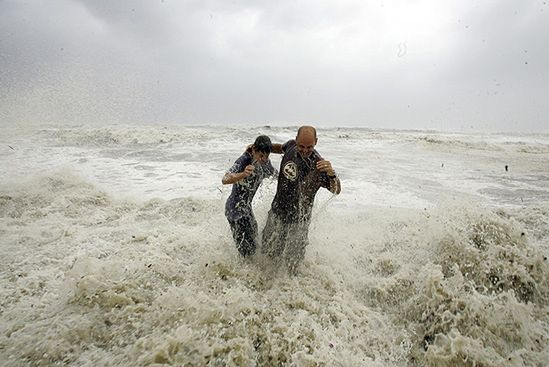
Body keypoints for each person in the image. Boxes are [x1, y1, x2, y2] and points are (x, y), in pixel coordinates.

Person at [262, 125, 341, 274]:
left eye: (309, 147)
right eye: (301, 146)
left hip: (299, 221)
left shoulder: (319, 165)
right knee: (268, 253)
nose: (305, 150)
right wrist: (261, 147)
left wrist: (332, 173)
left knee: (293, 265)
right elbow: (280, 148)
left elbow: (336, 190)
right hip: (277, 212)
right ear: (296, 140)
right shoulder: (291, 145)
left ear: (316, 142)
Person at [222, 135, 276, 257]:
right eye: (260, 155)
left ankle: (247, 273)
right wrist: (242, 174)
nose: (263, 159)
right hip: (234, 209)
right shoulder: (244, 160)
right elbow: (225, 179)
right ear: (253, 150)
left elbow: (275, 175)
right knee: (247, 251)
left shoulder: (265, 163)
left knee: (255, 242)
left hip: (246, 209)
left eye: (266, 156)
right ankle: (240, 274)